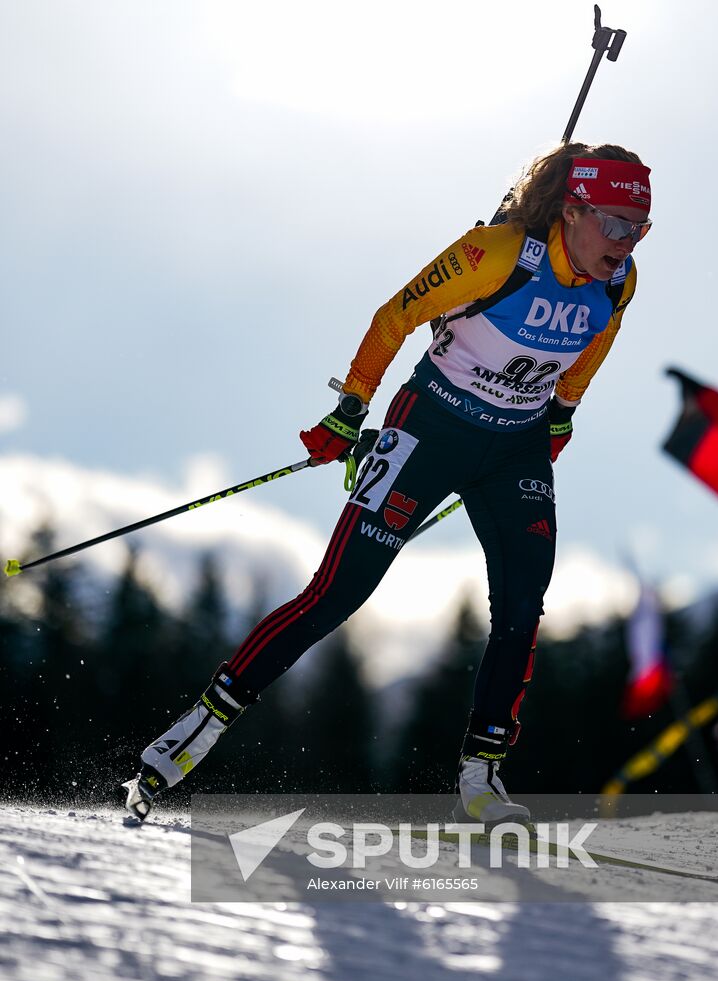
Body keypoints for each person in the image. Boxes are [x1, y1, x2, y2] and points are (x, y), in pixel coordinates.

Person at [122, 140, 653, 823]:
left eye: (638, 228)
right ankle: (197, 729)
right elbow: (394, 316)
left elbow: (595, 340)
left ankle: (479, 781)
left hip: (515, 446)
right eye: (613, 223)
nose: (626, 241)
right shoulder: (495, 253)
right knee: (337, 593)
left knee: (523, 606)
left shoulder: (620, 279)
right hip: (430, 429)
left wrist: (560, 415)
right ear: (571, 210)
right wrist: (350, 410)